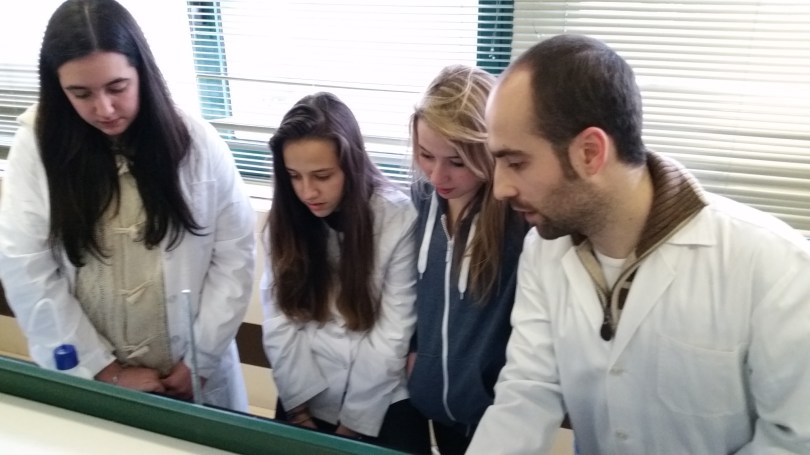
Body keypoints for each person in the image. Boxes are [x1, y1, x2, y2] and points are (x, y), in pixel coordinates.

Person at [468, 34, 810, 454]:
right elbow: (527, 391)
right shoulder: (544, 251)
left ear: (590, 153)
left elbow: (794, 440)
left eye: (517, 163)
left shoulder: (774, 264)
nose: (500, 188)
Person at [0, 0, 255, 411]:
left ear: (142, 73)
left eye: (117, 87)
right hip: (94, 376)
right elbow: (26, 267)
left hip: (192, 372)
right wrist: (103, 370)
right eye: (80, 93)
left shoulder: (198, 142)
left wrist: (200, 361)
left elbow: (234, 257)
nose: (104, 108)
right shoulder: (38, 145)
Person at [260, 92, 429, 452]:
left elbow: (393, 333)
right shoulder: (286, 219)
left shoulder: (396, 216)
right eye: (294, 176)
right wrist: (298, 408)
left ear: (351, 165)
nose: (308, 192)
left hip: (381, 397)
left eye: (322, 175)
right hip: (304, 392)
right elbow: (279, 319)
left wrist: (352, 424)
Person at [405, 65, 527, 454]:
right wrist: (413, 352)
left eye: (457, 162)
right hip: (429, 403)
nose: (437, 175)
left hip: (491, 413)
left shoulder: (519, 222)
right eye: (426, 155)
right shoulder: (418, 201)